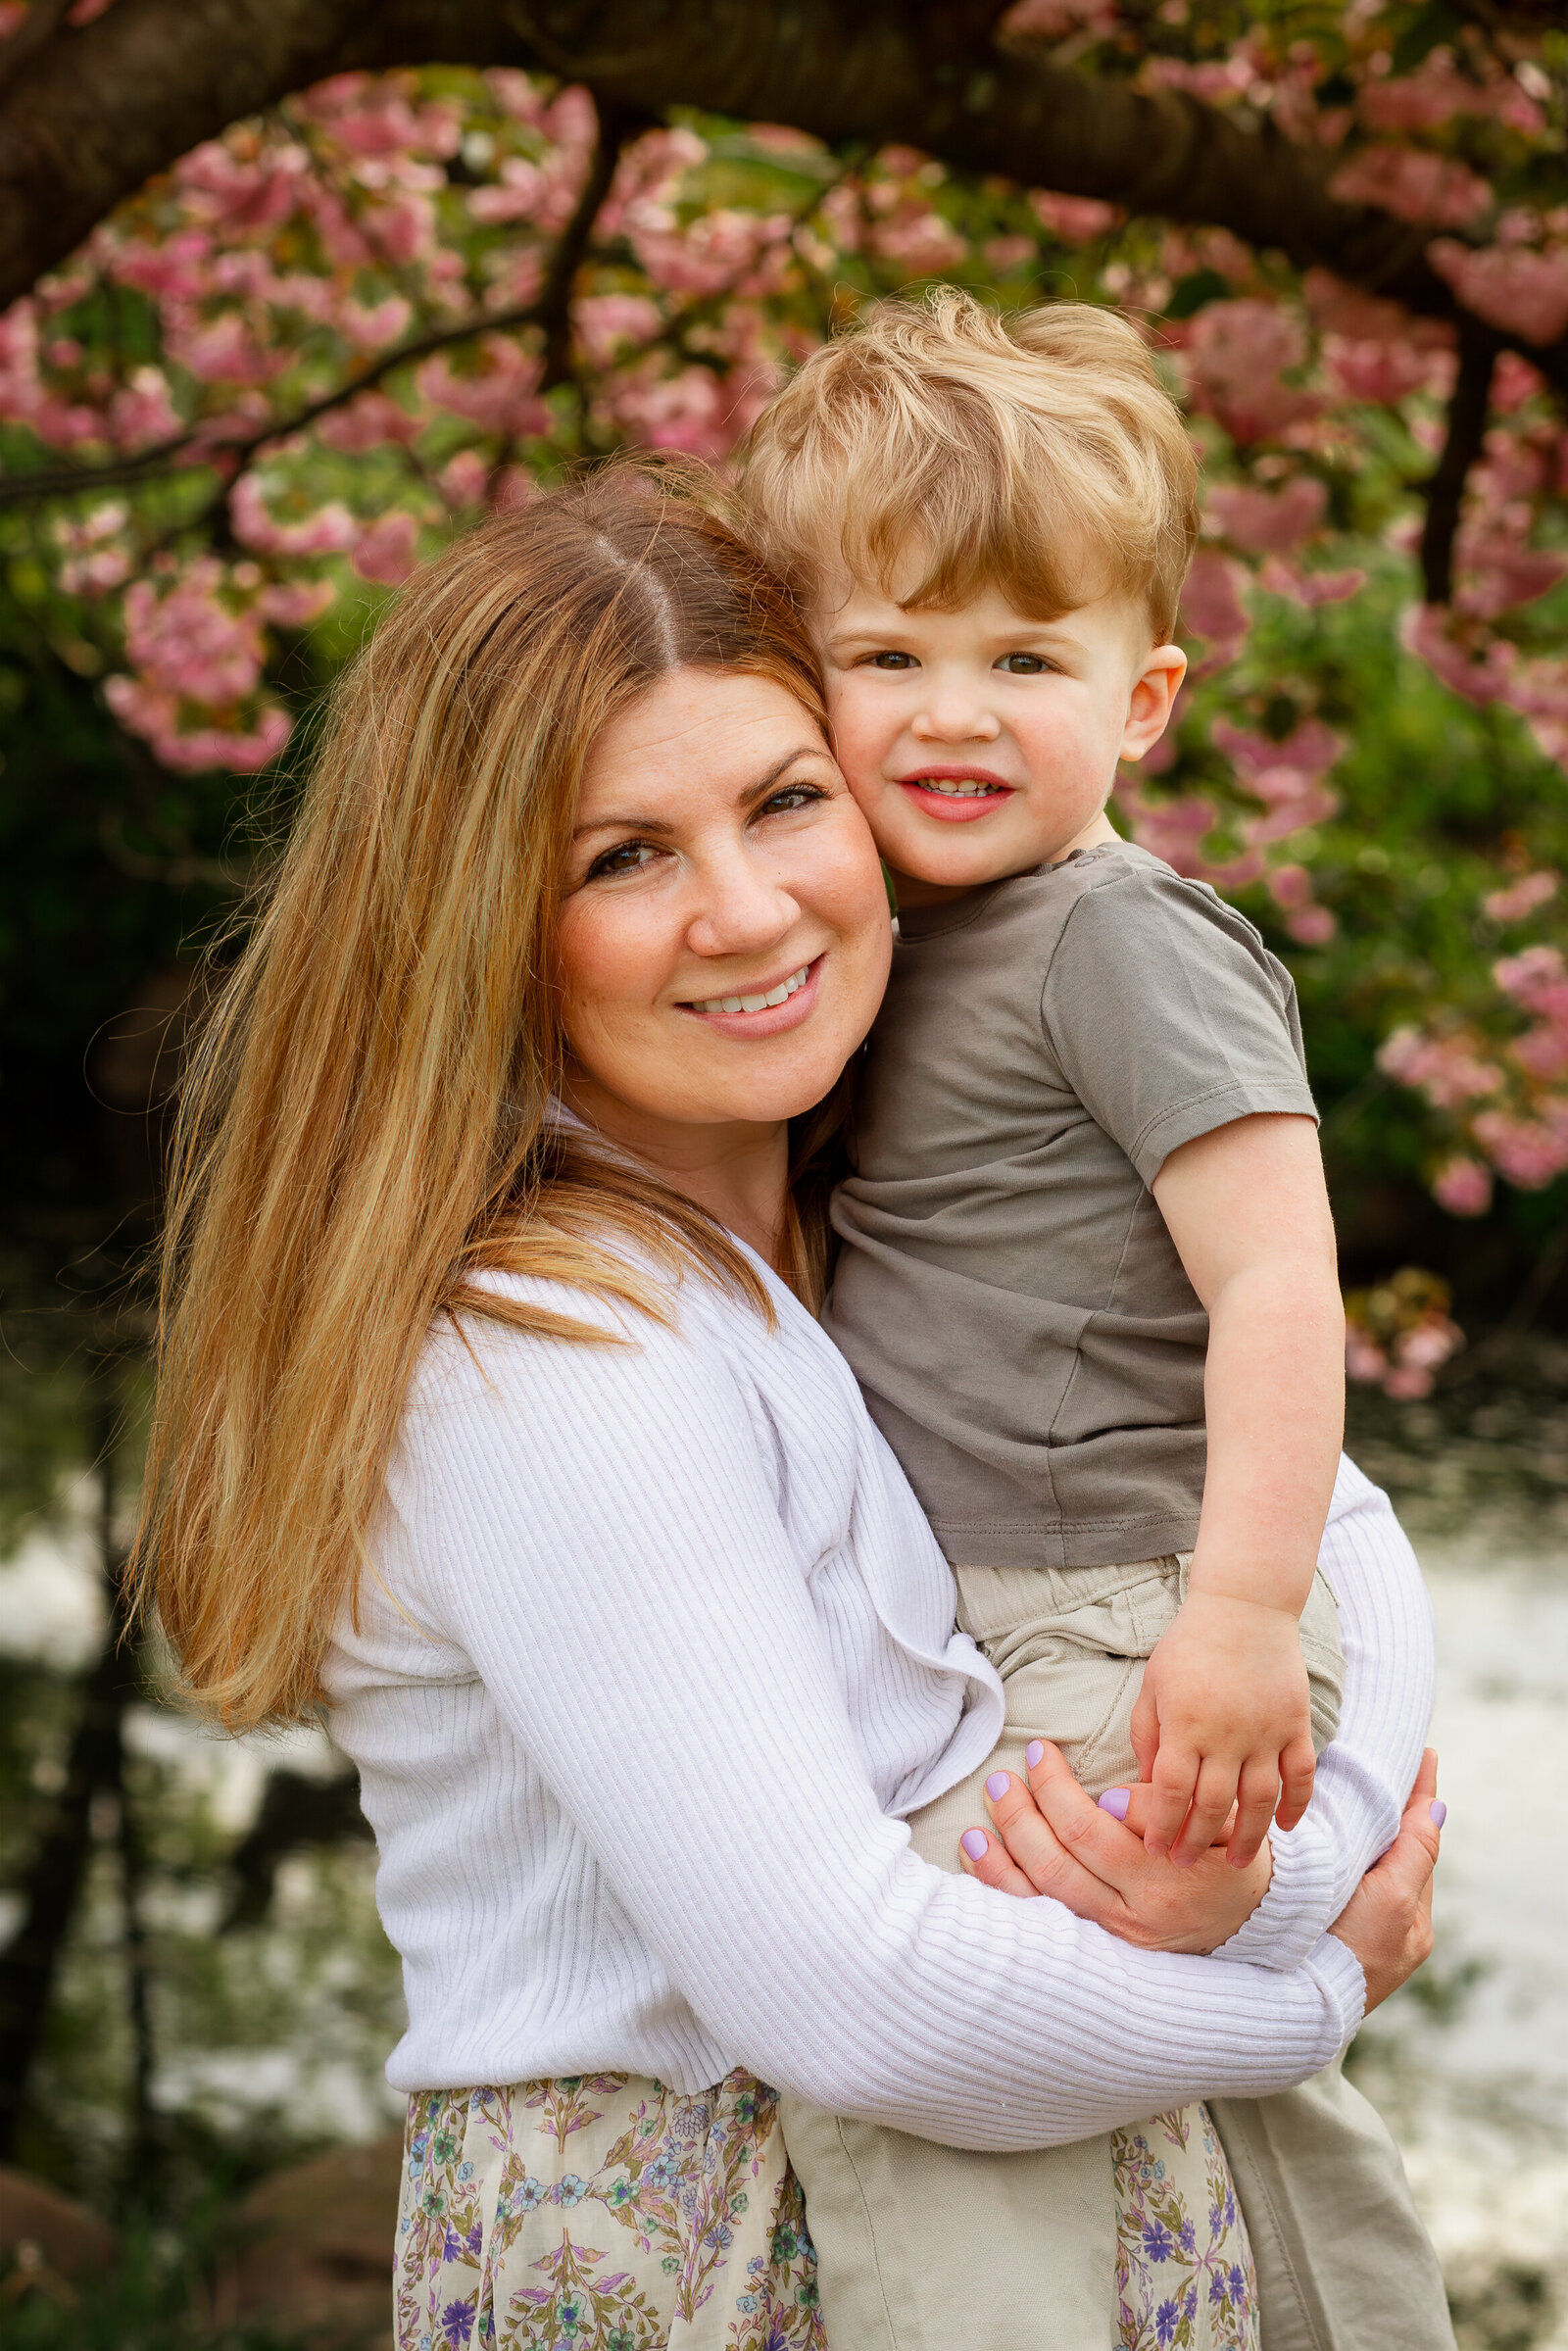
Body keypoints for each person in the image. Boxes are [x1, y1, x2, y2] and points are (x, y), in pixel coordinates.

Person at [134, 463, 1443, 2351]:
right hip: (713, 2265)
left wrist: (1308, 1858)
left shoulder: (864, 1251)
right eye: (622, 856)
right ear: (481, 920)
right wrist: (1317, 1970)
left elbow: (1344, 1521)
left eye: (783, 801)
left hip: (1065, 2197)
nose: (745, 911)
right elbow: (854, 1995)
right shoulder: (553, 1352)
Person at [739, 289, 1452, 2347]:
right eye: (886, 658)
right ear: (805, 687)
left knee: (951, 2065)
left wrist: (1233, 1619)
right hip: (1014, 1599)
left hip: (1119, 1601)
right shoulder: (888, 939)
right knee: (1217, 2072)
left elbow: (1273, 1283)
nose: (950, 714)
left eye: (1019, 660)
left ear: (1137, 700)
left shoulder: (1112, 940)